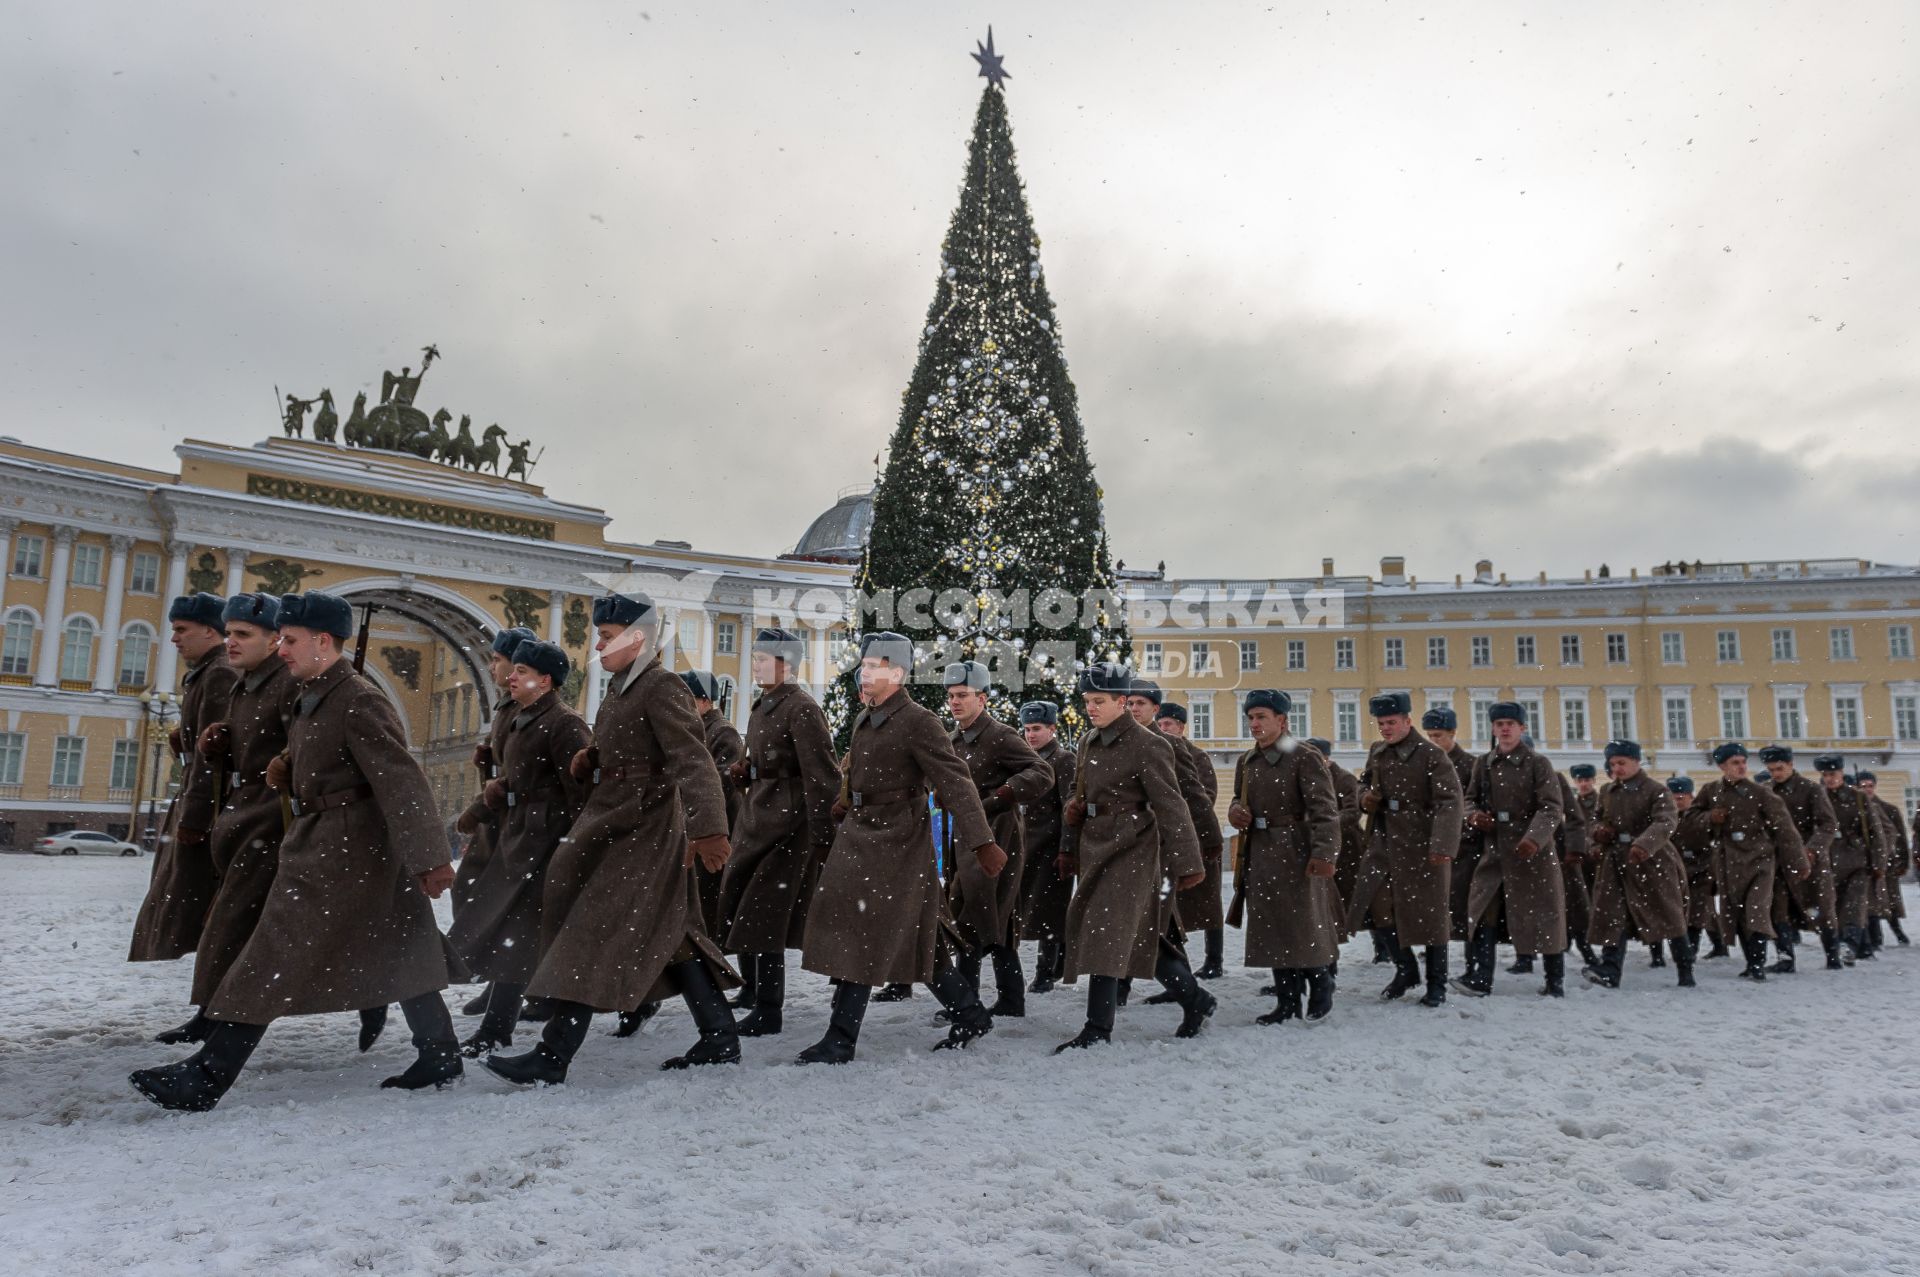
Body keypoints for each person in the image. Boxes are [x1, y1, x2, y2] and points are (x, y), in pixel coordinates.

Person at [129, 591, 466, 1111]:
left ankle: (207, 1077)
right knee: (401, 945)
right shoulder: (316, 693)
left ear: (323, 641)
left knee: (271, 954)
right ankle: (441, 1053)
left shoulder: (358, 697)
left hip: (345, 847)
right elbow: (329, 752)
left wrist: (431, 859)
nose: (281, 649)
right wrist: (289, 764)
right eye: (280, 639)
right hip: (326, 838)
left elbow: (402, 781)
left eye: (289, 640)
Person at [484, 592, 740, 1086]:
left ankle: (553, 1054)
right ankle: (720, 1035)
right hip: (616, 823)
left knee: (592, 929)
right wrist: (595, 757)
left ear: (636, 637)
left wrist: (710, 828)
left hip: (645, 828)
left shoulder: (662, 686)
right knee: (677, 935)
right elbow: (631, 743)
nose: (596, 647)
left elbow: (692, 759)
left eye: (605, 637)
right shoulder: (623, 687)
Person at [794, 632, 1007, 1064]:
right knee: (913, 938)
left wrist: (982, 842)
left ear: (898, 672)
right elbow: (854, 772)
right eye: (864, 664)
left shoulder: (919, 721)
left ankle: (840, 1038)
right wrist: (842, 803)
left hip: (898, 843)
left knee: (863, 931)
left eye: (875, 665)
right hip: (859, 833)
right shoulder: (864, 718)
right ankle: (969, 1012)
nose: (866, 672)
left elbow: (956, 783)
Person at [1054, 663, 1212, 1050]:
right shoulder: (1088, 741)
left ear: (1122, 702)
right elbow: (1080, 794)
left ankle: (1098, 1028)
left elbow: (1171, 805)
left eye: (1099, 701)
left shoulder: (1148, 744)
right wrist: (1069, 829)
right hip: (1095, 847)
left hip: (1133, 851)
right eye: (1088, 701)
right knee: (1141, 938)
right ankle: (1197, 999)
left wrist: (1188, 862)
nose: (1090, 708)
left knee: (1106, 932)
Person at [446, 639, 591, 1057]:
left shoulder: (565, 724)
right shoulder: (525, 718)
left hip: (545, 842)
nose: (511, 676)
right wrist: (486, 800)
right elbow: (518, 776)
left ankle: (500, 1025)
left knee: (519, 934)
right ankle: (499, 1021)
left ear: (545, 680)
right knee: (511, 933)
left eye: (522, 672)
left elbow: (578, 793)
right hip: (519, 835)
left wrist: (571, 846)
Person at [714, 629, 840, 1037]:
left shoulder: (801, 708)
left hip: (789, 826)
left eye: (764, 658)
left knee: (763, 915)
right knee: (745, 908)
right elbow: (763, 761)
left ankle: (769, 1010)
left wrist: (821, 836)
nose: (756, 665)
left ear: (786, 663)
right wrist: (744, 770)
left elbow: (822, 776)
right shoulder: (763, 705)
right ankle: (752, 993)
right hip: (757, 819)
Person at [129, 593, 240, 977]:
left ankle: (217, 1005)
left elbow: (215, 756)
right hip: (199, 799)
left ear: (210, 631)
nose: (174, 639)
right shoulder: (206, 672)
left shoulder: (220, 673)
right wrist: (184, 746)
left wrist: (195, 816)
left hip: (207, 808)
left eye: (181, 630)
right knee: (195, 909)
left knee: (204, 909)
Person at [942, 662, 1054, 1017]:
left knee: (972, 912)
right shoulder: (954, 739)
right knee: (996, 919)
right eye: (951, 696)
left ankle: (968, 1000)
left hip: (998, 837)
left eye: (962, 696)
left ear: (983, 698)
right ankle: (1010, 999)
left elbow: (1042, 772)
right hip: (963, 836)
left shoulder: (1000, 735)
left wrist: (1003, 795)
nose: (955, 702)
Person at [1224, 691, 1342, 1024]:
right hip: (1260, 852)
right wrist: (1235, 812)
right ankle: (1287, 1002)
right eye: (1250, 717)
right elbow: (1238, 798)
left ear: (1282, 720)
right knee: (1272, 927)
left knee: (1303, 925)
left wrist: (1324, 853)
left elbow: (1325, 810)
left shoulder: (1304, 756)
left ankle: (1321, 983)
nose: (1254, 724)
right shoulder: (1247, 760)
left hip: (1297, 851)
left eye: (1262, 716)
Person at [1347, 693, 1463, 1008]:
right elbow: (1362, 784)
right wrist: (1363, 799)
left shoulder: (1431, 755)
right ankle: (1406, 969)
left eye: (1391, 722)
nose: (1385, 728)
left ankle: (1436, 983)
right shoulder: (1378, 752)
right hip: (1383, 843)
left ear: (1407, 721)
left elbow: (1450, 802)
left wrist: (1442, 845)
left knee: (1432, 916)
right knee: (1375, 906)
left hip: (1422, 844)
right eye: (1381, 723)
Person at [1454, 703, 1567, 997]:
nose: (1505, 728)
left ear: (1522, 729)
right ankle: (1481, 978)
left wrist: (1533, 839)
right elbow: (1469, 800)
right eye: (1500, 723)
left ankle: (1555, 980)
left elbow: (1551, 807)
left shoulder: (1538, 764)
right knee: (1482, 914)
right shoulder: (1485, 763)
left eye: (1511, 724)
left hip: (1531, 855)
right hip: (1494, 851)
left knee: (1545, 915)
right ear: (1492, 728)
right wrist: (1474, 816)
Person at [452, 627, 536, 1016]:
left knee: (507, 909)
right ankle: (494, 975)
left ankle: (508, 987)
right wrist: (488, 757)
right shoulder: (507, 705)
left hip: (517, 820)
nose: (493, 666)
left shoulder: (530, 705)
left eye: (499, 660)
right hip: (498, 817)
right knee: (468, 887)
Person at [1135, 685, 1228, 981]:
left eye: (1168, 724)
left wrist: (1204, 837)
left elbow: (1202, 795)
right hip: (1160, 843)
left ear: (1181, 727)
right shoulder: (1143, 745)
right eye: (1161, 723)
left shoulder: (1193, 754)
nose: (1163, 728)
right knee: (1168, 914)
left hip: (1191, 842)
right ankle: (1179, 975)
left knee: (1207, 908)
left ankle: (1213, 960)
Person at [1583, 740, 1690, 989]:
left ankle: (1685, 969)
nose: (1617, 768)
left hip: (1653, 862)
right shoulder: (1608, 791)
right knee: (1613, 915)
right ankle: (1610, 970)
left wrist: (1644, 844)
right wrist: (1599, 833)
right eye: (1612, 764)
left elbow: (1666, 821)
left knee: (1669, 915)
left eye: (1622, 763)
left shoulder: (1656, 790)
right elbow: (1595, 820)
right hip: (1615, 862)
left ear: (1636, 761)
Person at [1694, 745, 1802, 981]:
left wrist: (1799, 861)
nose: (1742, 766)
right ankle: (1752, 961)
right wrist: (1710, 818)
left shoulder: (1761, 793)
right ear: (1722, 767)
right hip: (1728, 862)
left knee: (1757, 911)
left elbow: (1785, 829)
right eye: (1735, 763)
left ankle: (1757, 964)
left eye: (1743, 761)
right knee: (1738, 913)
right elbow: (1691, 818)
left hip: (1759, 860)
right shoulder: (1711, 791)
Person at [1015, 701, 1076, 995]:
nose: (1031, 734)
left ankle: (1046, 973)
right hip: (1026, 846)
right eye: (1027, 729)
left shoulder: (1064, 760)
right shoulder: (1025, 759)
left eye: (1037, 729)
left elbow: (1068, 808)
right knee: (1030, 910)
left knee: (1049, 913)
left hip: (1051, 850)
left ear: (1052, 728)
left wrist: (1067, 849)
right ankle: (1054, 967)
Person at [1763, 746, 1839, 974]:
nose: (1776, 773)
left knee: (1822, 909)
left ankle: (1832, 955)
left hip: (1810, 862)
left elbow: (1828, 824)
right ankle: (1785, 958)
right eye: (1771, 769)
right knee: (1778, 910)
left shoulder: (1811, 790)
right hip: (1778, 861)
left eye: (1780, 768)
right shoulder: (1766, 791)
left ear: (1790, 764)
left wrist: (1812, 849)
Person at [684, 669, 746, 943]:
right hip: (696, 821)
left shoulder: (723, 732)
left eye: (689, 699)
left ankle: (712, 944)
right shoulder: (693, 730)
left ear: (705, 701)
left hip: (718, 825)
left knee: (710, 888)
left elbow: (722, 782)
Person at [1817, 757, 1887, 964]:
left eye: (1833, 774)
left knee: (1855, 905)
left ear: (1841, 773)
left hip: (1858, 861)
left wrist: (1879, 863)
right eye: (1826, 775)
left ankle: (1850, 944)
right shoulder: (1818, 798)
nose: (1830, 779)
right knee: (1835, 908)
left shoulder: (1858, 797)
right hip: (1829, 862)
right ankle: (1857, 947)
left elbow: (1875, 831)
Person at [1858, 773, 1911, 947]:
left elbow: (1900, 837)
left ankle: (1898, 932)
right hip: (1866, 862)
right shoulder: (1857, 808)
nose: (1867, 789)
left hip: (1888, 863)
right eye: (1863, 786)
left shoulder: (1889, 809)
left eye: (1870, 785)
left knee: (1891, 901)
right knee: (1870, 902)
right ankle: (1874, 938)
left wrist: (1904, 862)